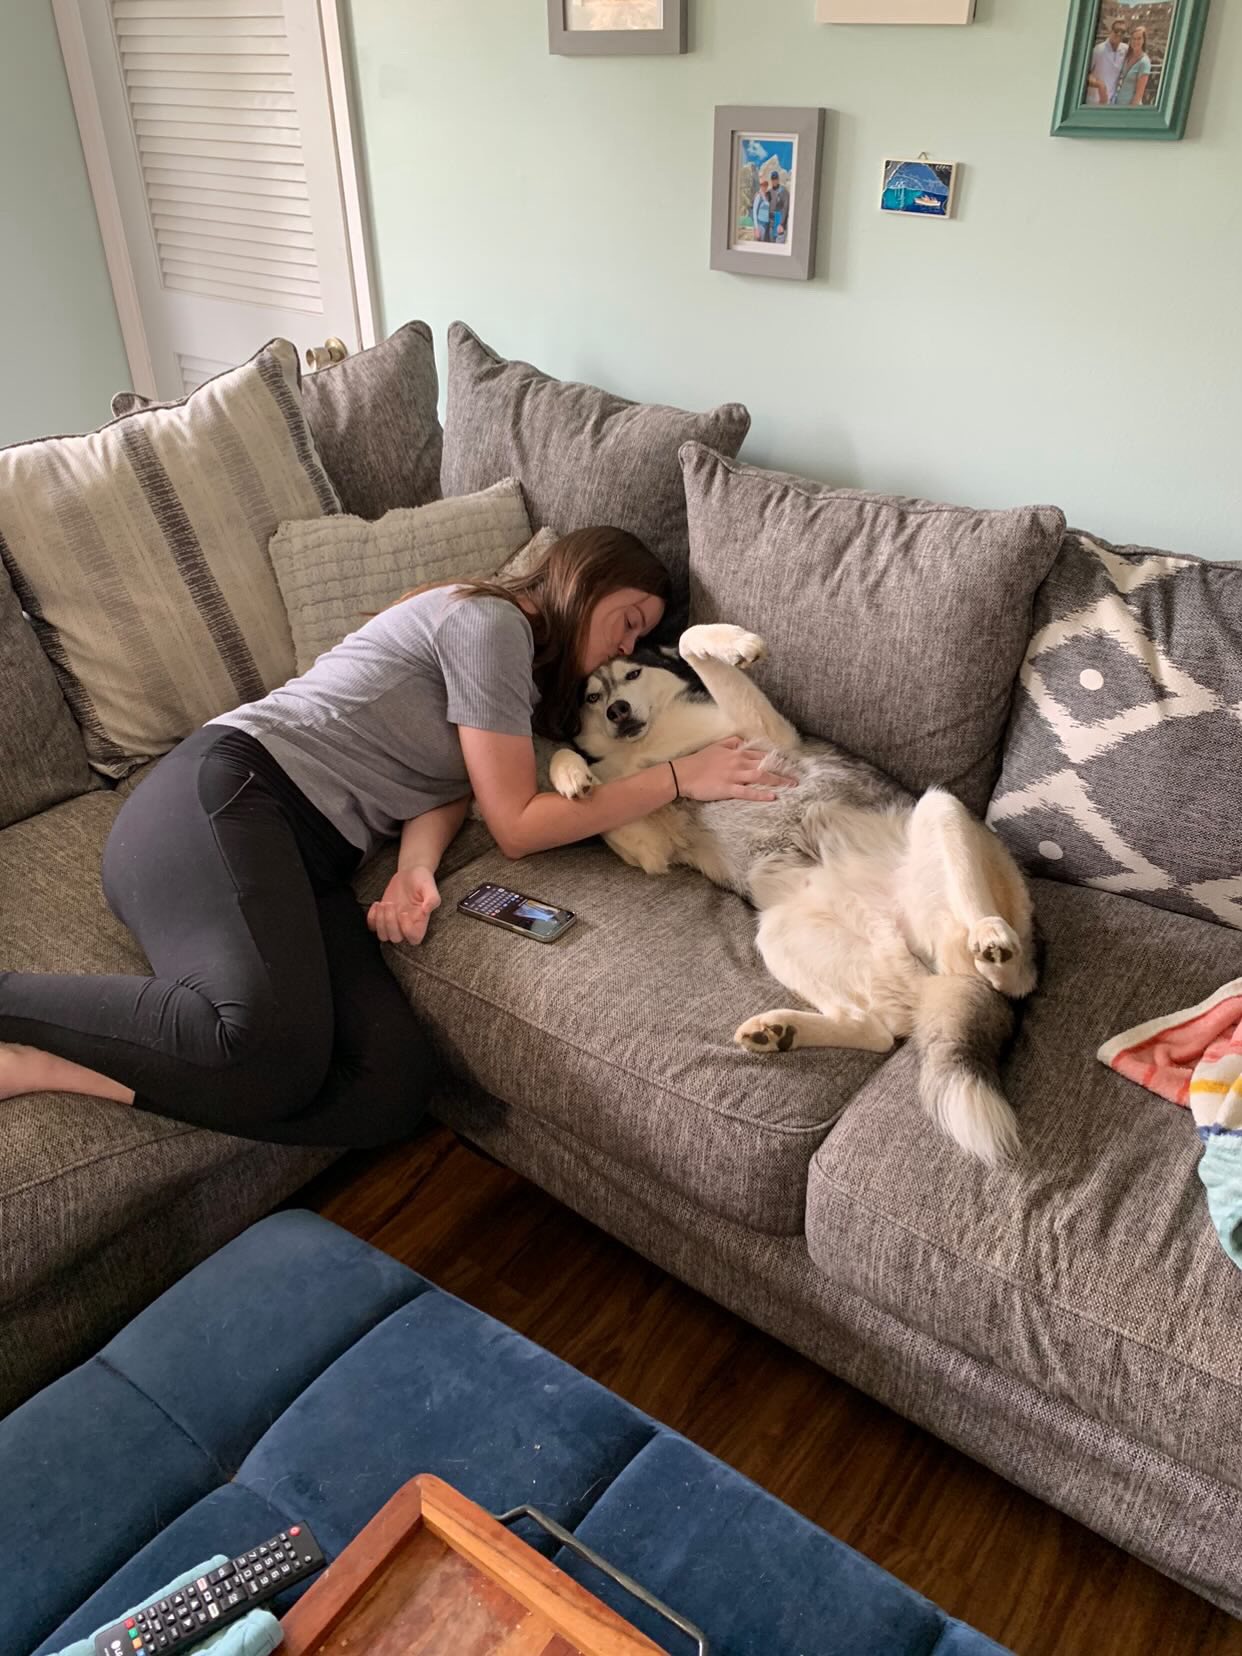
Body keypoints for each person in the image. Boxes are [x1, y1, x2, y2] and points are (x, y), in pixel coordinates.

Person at [0, 530, 792, 1145]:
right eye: (629, 621)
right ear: (585, 576)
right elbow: (515, 825)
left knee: (392, 1088)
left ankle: (46, 1064)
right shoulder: (490, 623)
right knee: (260, 1044)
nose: (627, 647)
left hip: (298, 853)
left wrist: (415, 869)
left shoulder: (515, 688)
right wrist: (679, 779)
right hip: (223, 797)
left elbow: (450, 783)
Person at [1085, 14, 1127, 106]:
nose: (1119, 34)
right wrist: (1100, 85)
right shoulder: (1098, 50)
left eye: (1122, 31)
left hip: (1111, 102)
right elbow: (1084, 75)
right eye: (1116, 30)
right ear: (1110, 31)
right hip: (1094, 102)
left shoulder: (1125, 50)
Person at [1114, 23, 1153, 106]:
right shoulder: (1128, 56)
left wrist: (1130, 111)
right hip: (1119, 103)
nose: (1136, 41)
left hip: (1130, 107)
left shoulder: (1144, 62)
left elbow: (1139, 94)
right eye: (1133, 39)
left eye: (1139, 39)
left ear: (1144, 41)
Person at [768, 173, 790, 244]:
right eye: (773, 179)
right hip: (771, 225)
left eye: (776, 179)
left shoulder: (784, 192)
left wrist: (781, 223)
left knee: (779, 248)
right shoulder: (769, 192)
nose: (774, 181)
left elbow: (785, 208)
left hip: (780, 226)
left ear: (778, 180)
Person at [752, 176, 772, 243]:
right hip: (760, 225)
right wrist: (756, 228)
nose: (764, 186)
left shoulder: (767, 196)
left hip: (766, 225)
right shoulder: (758, 196)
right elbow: (754, 212)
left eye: (766, 184)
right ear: (760, 185)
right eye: (762, 184)